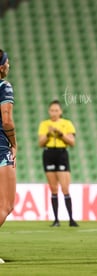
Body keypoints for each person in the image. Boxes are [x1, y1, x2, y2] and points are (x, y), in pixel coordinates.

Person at [38, 100, 79, 227]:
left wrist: (60, 134)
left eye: (56, 110)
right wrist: (49, 134)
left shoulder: (67, 124)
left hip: (61, 154)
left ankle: (71, 219)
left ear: (60, 111)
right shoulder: (45, 124)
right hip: (48, 154)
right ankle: (56, 220)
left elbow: (72, 142)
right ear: (49, 111)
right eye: (52, 110)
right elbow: (40, 143)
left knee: (65, 188)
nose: (54, 112)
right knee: (53, 189)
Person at [0, 50, 17, 228]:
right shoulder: (4, 86)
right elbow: (6, 121)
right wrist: (13, 143)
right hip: (1, 149)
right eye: (7, 62)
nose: (9, 66)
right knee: (5, 206)